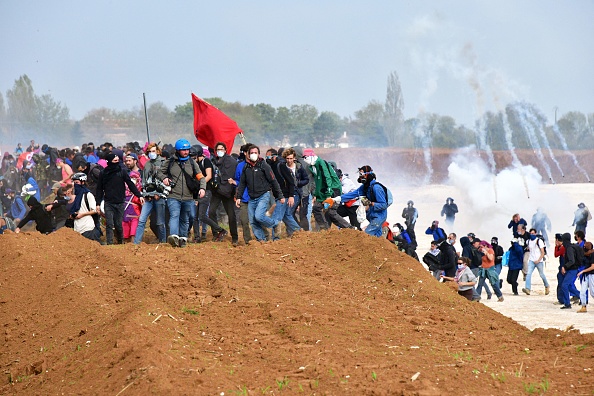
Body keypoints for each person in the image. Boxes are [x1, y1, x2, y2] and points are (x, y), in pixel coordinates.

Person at [158, 138, 206, 248]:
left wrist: (202, 188)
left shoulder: (192, 163)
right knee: (175, 215)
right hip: (173, 196)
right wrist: (164, 178)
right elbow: (160, 172)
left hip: (188, 197)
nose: (186, 152)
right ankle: (174, 236)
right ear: (178, 150)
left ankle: (183, 238)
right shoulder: (170, 162)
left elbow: (201, 177)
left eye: (187, 150)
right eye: (183, 150)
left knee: (186, 218)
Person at [235, 144, 284, 242]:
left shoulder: (264, 165)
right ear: (248, 155)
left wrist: (279, 195)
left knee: (259, 216)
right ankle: (261, 240)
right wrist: (238, 197)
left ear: (258, 154)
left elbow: (273, 180)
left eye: (255, 153)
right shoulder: (246, 168)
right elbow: (242, 184)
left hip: (263, 195)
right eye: (251, 153)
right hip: (251, 197)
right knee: (253, 221)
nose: (253, 155)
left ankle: (275, 224)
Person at [96, 153, 145, 245]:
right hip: (108, 202)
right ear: (109, 161)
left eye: (117, 161)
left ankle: (120, 242)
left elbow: (130, 184)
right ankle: (109, 243)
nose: (116, 162)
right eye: (114, 160)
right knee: (109, 224)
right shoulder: (103, 173)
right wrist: (98, 203)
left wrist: (139, 195)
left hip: (120, 202)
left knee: (119, 224)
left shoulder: (122, 172)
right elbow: (99, 189)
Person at [328, 165, 388, 237]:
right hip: (371, 215)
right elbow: (352, 195)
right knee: (377, 237)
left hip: (379, 216)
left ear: (368, 174)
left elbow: (384, 205)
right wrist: (335, 199)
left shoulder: (376, 188)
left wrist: (371, 204)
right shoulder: (364, 187)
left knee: (366, 235)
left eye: (362, 175)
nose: (360, 177)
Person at [302, 148, 351, 231]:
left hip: (333, 188)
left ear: (311, 156)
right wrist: (317, 195)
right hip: (323, 190)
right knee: (316, 208)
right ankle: (325, 229)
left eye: (305, 157)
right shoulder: (312, 167)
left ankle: (349, 228)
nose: (305, 159)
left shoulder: (321, 163)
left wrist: (328, 195)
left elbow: (327, 178)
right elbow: (318, 182)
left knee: (331, 212)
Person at [134, 143, 167, 244]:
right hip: (148, 197)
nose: (152, 153)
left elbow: (165, 181)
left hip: (159, 197)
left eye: (153, 151)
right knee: (142, 220)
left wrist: (159, 193)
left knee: (160, 222)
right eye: (150, 152)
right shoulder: (147, 164)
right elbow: (144, 181)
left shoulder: (163, 163)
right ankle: (136, 242)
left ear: (157, 151)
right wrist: (144, 194)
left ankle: (163, 242)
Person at [209, 142, 239, 245]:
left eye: (221, 149)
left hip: (227, 192)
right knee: (211, 212)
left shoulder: (231, 162)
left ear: (225, 150)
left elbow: (232, 176)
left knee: (231, 215)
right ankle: (216, 233)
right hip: (216, 191)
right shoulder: (213, 161)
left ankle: (234, 237)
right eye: (218, 149)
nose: (219, 151)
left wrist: (231, 190)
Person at [522, 228, 550, 296]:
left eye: (533, 233)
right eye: (531, 233)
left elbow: (542, 252)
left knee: (541, 274)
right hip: (531, 260)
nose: (532, 235)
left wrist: (539, 260)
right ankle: (527, 288)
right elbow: (529, 248)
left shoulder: (539, 241)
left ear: (535, 233)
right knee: (528, 274)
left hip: (539, 261)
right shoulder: (528, 241)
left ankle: (547, 286)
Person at [558, 232, 582, 309]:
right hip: (572, 269)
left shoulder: (569, 249)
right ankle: (581, 296)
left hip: (572, 270)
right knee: (568, 285)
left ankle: (567, 304)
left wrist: (564, 267)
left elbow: (572, 261)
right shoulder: (570, 247)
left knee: (564, 285)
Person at [122, 170, 143, 242]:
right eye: (131, 178)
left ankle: (133, 245)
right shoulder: (123, 190)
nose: (133, 180)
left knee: (133, 232)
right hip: (125, 213)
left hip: (135, 214)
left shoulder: (140, 191)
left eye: (135, 178)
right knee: (125, 231)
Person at [577, 241, 594, 313]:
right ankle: (583, 306)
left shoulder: (593, 255)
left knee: (592, 292)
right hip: (586, 275)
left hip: (592, 275)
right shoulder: (585, 255)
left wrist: (583, 271)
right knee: (582, 291)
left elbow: (593, 267)